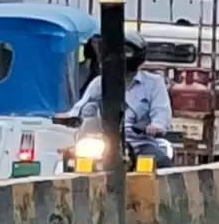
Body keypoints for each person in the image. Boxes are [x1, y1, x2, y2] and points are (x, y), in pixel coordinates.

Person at [66, 30, 175, 168]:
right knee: (71, 163)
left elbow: (161, 112)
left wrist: (156, 126)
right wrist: (68, 117)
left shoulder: (154, 83)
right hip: (103, 144)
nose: (121, 56)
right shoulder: (100, 83)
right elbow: (81, 107)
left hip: (140, 144)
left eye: (126, 51)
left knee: (161, 166)